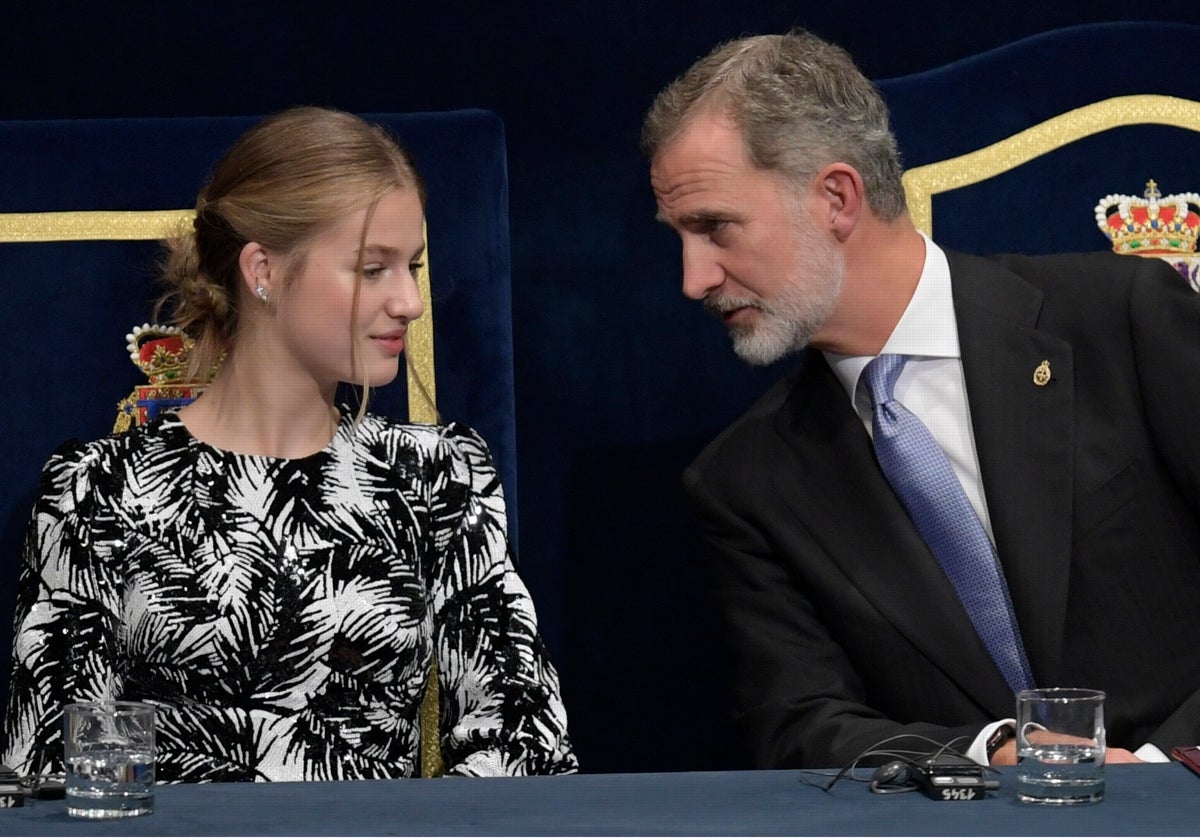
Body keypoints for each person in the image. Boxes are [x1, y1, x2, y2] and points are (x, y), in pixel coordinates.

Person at [642, 30, 1200, 770]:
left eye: (714, 227)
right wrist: (997, 752)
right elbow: (802, 724)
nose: (694, 278)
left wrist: (1169, 770)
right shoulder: (746, 482)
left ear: (836, 198)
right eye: (680, 236)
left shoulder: (1116, 318)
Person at [1, 106, 577, 782]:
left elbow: (524, 744)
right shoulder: (96, 490)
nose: (410, 302)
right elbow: (51, 771)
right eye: (373, 269)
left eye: (412, 267)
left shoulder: (438, 477)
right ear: (263, 270)